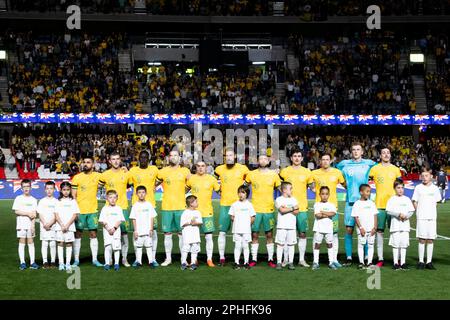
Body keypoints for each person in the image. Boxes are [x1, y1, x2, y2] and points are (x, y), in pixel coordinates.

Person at [336, 142, 376, 266]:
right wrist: (344, 185)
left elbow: (380, 169)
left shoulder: (369, 163)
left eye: (358, 149)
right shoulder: (344, 164)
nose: (356, 152)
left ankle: (365, 257)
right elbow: (335, 174)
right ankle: (348, 258)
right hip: (350, 201)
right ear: (351, 151)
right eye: (353, 149)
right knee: (349, 230)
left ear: (362, 152)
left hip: (364, 203)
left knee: (365, 230)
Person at [214, 148, 249, 266]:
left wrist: (244, 193)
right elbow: (213, 182)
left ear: (235, 156)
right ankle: (222, 258)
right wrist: (219, 191)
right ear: (224, 157)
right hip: (225, 205)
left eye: (231, 155)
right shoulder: (219, 169)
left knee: (241, 233)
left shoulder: (243, 168)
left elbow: (248, 181)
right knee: (222, 232)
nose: (228, 157)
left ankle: (241, 258)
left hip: (239, 206)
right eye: (226, 155)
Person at [246, 154, 281, 268]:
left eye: (265, 159)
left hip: (269, 209)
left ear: (268, 161)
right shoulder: (251, 174)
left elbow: (280, 189)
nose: (263, 160)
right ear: (257, 161)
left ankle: (271, 259)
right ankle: (254, 258)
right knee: (254, 234)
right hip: (255, 210)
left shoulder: (274, 175)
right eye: (261, 158)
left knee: (269, 234)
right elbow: (244, 188)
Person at [156, 149, 191, 266]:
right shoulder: (162, 172)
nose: (173, 157)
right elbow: (152, 184)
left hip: (181, 207)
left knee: (182, 234)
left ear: (179, 158)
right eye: (171, 155)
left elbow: (192, 183)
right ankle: (168, 258)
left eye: (175, 155)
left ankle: (183, 259)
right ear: (168, 158)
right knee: (167, 234)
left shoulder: (185, 171)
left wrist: (184, 192)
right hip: (167, 207)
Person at [310, 153, 345, 268]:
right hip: (319, 207)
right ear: (320, 161)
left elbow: (345, 185)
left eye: (327, 159)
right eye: (323, 159)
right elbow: (310, 184)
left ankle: (334, 259)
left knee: (334, 234)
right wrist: (314, 190)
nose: (325, 161)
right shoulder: (314, 173)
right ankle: (316, 261)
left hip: (333, 207)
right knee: (317, 235)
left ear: (330, 161)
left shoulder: (337, 172)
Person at [369, 147, 402, 267]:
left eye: (388, 153)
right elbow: (366, 182)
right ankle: (380, 258)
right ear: (380, 155)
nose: (386, 154)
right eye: (383, 153)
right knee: (380, 232)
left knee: (395, 232)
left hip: (393, 206)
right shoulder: (374, 169)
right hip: (379, 205)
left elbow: (399, 187)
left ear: (390, 155)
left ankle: (398, 258)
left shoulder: (396, 170)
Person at [279, 148, 313, 267]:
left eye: (299, 156)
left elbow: (313, 187)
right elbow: (279, 186)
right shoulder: (284, 171)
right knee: (287, 234)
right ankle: (285, 259)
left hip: (301, 208)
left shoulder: (307, 172)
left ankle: (302, 259)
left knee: (302, 233)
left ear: (302, 158)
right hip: (287, 209)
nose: (297, 158)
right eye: (295, 156)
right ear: (291, 158)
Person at [99, 152, 133, 267]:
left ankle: (124, 258)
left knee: (123, 234)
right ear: (109, 161)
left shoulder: (125, 173)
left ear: (120, 160)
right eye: (113, 159)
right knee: (109, 234)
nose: (116, 161)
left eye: (118, 159)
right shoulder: (105, 175)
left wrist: (127, 171)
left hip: (122, 207)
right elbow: (97, 187)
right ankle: (110, 259)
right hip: (109, 209)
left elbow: (131, 184)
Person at [129, 150, 160, 267]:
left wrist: (155, 187)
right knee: (136, 232)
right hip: (136, 205)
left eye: (145, 157)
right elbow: (127, 182)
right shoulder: (132, 171)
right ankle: (138, 259)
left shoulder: (154, 169)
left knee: (153, 232)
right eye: (141, 157)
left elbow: (161, 178)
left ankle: (153, 258)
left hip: (150, 205)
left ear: (149, 159)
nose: (143, 159)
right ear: (138, 159)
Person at [186, 161, 220, 267]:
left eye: (203, 166)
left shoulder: (212, 179)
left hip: (207, 212)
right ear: (196, 168)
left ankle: (209, 259)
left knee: (208, 236)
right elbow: (185, 191)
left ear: (206, 167)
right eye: (198, 166)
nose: (201, 168)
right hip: (194, 213)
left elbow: (220, 192)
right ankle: (194, 259)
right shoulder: (191, 179)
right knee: (194, 237)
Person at [71, 156, 103, 267]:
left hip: (93, 210)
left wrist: (124, 169)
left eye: (88, 162)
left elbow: (110, 176)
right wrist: (75, 211)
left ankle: (94, 260)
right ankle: (76, 259)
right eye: (84, 162)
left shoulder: (99, 176)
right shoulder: (77, 178)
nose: (86, 164)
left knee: (93, 234)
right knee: (78, 234)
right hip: (80, 211)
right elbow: (73, 195)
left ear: (93, 164)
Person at [412, 167, 442, 270]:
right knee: (421, 239)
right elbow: (414, 201)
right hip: (421, 217)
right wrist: (418, 212)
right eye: (423, 176)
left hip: (432, 217)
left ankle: (429, 261)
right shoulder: (418, 188)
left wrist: (431, 211)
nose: (424, 178)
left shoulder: (435, 188)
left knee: (430, 239)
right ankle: (421, 261)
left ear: (431, 176)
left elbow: (437, 202)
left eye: (426, 175)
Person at [386, 179, 415, 270]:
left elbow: (411, 211)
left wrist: (406, 216)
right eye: (398, 188)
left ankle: (403, 263)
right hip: (395, 226)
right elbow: (388, 210)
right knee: (396, 244)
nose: (400, 190)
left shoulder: (407, 199)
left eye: (402, 188)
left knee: (403, 244)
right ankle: (395, 263)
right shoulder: (392, 199)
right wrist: (398, 214)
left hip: (405, 226)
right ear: (394, 188)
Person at [13, 179, 39, 270]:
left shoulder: (34, 200)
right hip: (21, 224)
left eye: (28, 186)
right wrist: (27, 213)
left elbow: (34, 214)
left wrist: (33, 226)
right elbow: (16, 211)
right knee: (22, 242)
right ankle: (22, 262)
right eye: (24, 187)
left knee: (31, 242)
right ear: (21, 188)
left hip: (30, 225)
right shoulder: (18, 198)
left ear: (30, 187)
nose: (26, 188)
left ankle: (32, 262)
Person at [229, 184, 256, 270]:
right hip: (236, 229)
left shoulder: (249, 205)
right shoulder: (234, 204)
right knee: (237, 246)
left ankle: (246, 262)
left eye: (243, 192)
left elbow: (253, 217)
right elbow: (232, 217)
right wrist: (238, 223)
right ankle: (236, 262)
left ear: (247, 194)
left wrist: (247, 225)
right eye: (239, 192)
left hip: (246, 230)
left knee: (245, 246)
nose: (241, 194)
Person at [351, 184, 378, 270]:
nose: (369, 193)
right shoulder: (357, 204)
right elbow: (356, 217)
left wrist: (375, 227)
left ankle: (369, 262)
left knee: (371, 245)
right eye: (367, 191)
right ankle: (361, 262)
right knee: (361, 245)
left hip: (371, 229)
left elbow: (375, 215)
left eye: (369, 191)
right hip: (362, 230)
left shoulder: (371, 203)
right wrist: (361, 228)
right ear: (361, 192)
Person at [130, 186, 157, 268]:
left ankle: (151, 262)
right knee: (139, 247)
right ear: (136, 194)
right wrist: (135, 231)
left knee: (149, 246)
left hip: (147, 230)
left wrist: (151, 229)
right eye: (139, 192)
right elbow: (133, 219)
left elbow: (152, 217)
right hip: (139, 231)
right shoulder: (135, 205)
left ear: (146, 193)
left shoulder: (149, 205)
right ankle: (139, 262)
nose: (141, 194)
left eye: (143, 192)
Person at [55, 182, 79, 272]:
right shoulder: (58, 201)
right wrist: (62, 224)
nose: (66, 192)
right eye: (64, 190)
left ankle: (68, 263)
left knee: (69, 244)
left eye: (68, 190)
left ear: (70, 190)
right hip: (60, 227)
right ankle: (61, 263)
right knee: (60, 243)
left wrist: (68, 225)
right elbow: (56, 214)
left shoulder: (73, 201)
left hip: (70, 226)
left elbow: (75, 214)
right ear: (61, 190)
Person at [274, 182, 299, 271]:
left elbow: (297, 212)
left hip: (292, 226)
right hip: (281, 226)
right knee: (280, 244)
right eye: (290, 188)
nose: (292, 190)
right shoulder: (278, 199)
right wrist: (292, 208)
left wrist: (287, 209)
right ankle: (279, 262)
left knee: (291, 244)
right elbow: (281, 210)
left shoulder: (294, 199)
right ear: (284, 190)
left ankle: (290, 262)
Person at [99, 190, 125, 271]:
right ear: (107, 198)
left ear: (117, 198)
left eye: (114, 197)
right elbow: (102, 220)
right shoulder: (104, 208)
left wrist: (114, 228)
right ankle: (107, 263)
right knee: (107, 247)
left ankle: (116, 263)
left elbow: (120, 220)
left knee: (116, 248)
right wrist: (108, 228)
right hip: (107, 231)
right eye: (110, 197)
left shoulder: (119, 208)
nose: (112, 199)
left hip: (116, 231)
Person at [312, 186, 337, 270]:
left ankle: (331, 262)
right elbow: (317, 215)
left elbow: (333, 213)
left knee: (329, 244)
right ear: (319, 194)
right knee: (317, 245)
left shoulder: (331, 205)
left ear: (329, 195)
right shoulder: (317, 204)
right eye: (323, 194)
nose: (324, 196)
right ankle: (315, 262)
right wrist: (327, 214)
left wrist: (323, 212)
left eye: (326, 194)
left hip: (329, 228)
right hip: (318, 228)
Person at [37, 181, 58, 269]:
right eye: (47, 189)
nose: (49, 190)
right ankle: (45, 261)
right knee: (45, 243)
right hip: (44, 225)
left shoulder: (56, 201)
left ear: (54, 189)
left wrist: (50, 223)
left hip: (53, 225)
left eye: (51, 188)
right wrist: (45, 224)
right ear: (45, 190)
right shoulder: (42, 201)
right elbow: (40, 214)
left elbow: (57, 215)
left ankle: (53, 261)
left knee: (53, 243)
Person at [180, 195, 203, 271]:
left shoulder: (198, 212)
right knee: (186, 248)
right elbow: (182, 224)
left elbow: (200, 222)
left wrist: (196, 223)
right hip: (187, 234)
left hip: (195, 234)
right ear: (191, 203)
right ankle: (183, 263)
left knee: (194, 248)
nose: (197, 203)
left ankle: (193, 263)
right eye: (196, 201)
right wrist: (190, 222)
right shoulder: (185, 213)